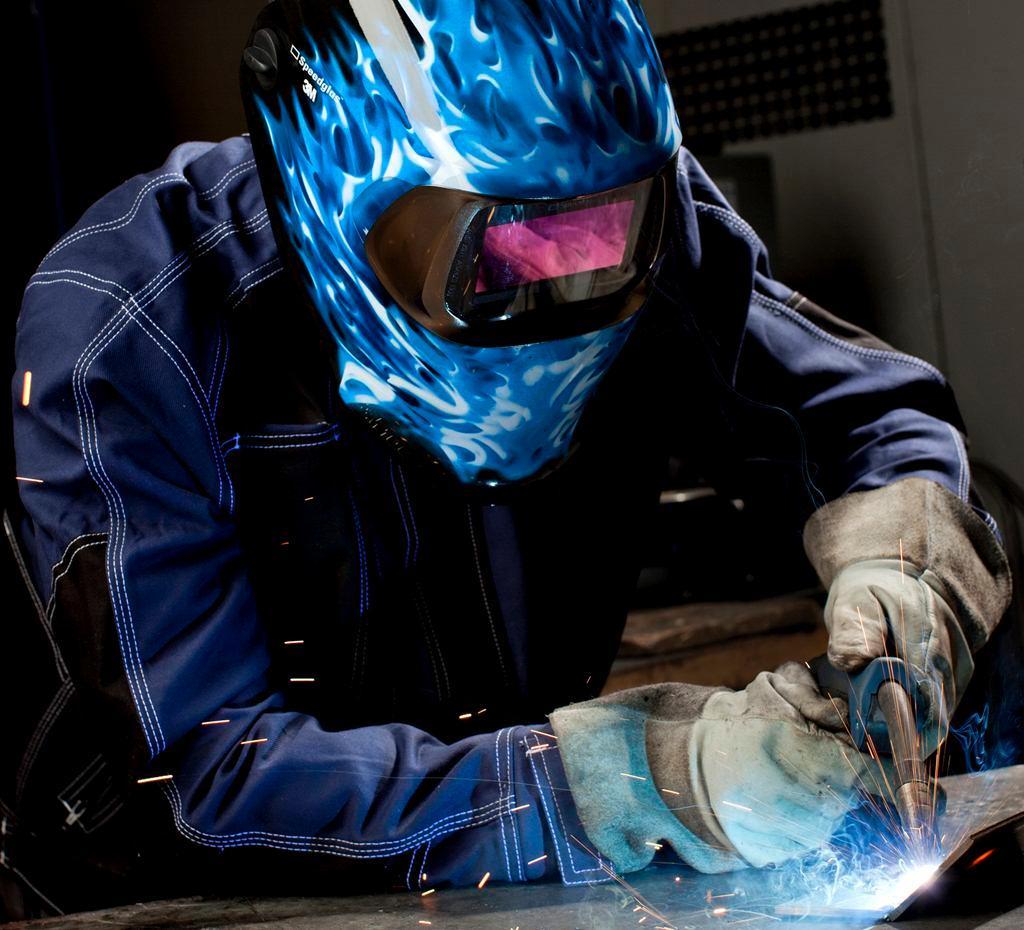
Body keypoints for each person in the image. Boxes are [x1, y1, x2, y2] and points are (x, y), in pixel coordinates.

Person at [4, 0, 1010, 917]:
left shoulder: (612, 204)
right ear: (349, 213)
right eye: (506, 258)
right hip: (193, 896)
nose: (563, 274)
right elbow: (207, 781)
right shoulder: (132, 328)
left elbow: (859, 410)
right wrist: (643, 778)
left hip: (517, 861)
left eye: (594, 242)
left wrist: (903, 568)